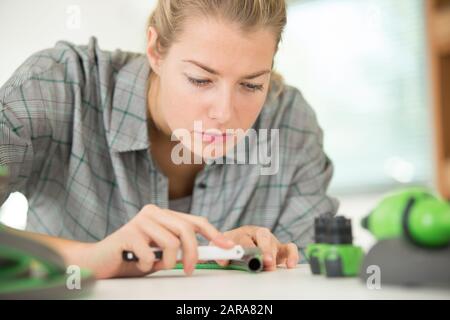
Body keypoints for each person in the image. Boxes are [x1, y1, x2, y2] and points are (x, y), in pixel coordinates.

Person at [0, 0, 338, 279]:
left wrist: (224, 257)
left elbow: (314, 277)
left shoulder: (290, 123)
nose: (224, 113)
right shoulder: (59, 87)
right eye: (201, 79)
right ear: (156, 49)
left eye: (251, 85)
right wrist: (94, 258)